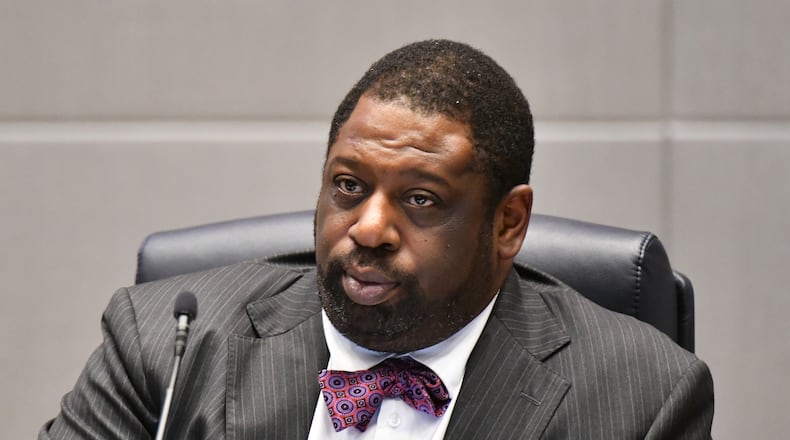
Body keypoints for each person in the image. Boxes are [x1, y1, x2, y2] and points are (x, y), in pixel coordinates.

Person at [40, 39, 714, 439]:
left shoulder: (640, 397)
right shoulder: (168, 345)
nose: (367, 228)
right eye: (348, 186)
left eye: (421, 200)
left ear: (507, 224)